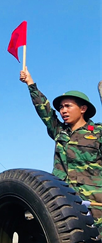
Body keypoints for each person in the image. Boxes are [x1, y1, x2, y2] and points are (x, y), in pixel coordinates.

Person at [20, 68, 102, 231]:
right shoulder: (60, 131)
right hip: (65, 201)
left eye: (68, 106)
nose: (63, 110)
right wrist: (30, 84)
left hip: (95, 203)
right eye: (61, 107)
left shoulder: (98, 132)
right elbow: (45, 112)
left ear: (83, 108)